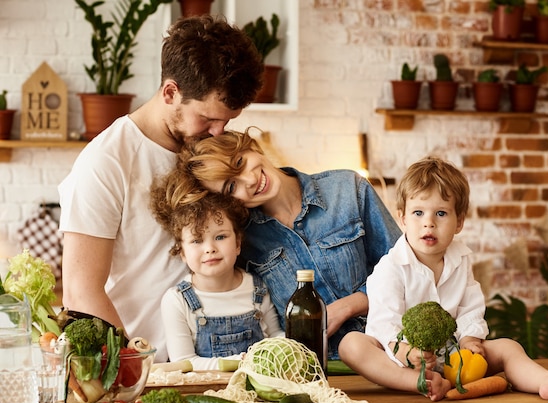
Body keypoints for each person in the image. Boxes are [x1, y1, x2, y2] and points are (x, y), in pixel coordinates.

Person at [58, 15, 264, 362]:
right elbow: (80, 293)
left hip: (222, 367)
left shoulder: (208, 151)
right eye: (208, 118)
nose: (218, 132)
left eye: (226, 121)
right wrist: (134, 371)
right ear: (171, 92)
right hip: (147, 368)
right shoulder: (106, 162)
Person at [338, 156, 548, 401]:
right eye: (418, 213)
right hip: (404, 362)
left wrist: (470, 339)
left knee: (508, 347)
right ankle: (421, 382)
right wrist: (405, 351)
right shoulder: (391, 267)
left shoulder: (460, 260)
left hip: (455, 357)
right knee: (352, 345)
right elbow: (384, 322)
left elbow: (470, 307)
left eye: (441, 213)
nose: (428, 223)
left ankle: (547, 382)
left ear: (459, 222)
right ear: (403, 219)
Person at [158, 127, 402, 360]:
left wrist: (347, 307)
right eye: (232, 186)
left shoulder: (348, 189)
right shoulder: (241, 238)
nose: (249, 180)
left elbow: (408, 273)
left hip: (389, 353)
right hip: (304, 371)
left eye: (240, 163)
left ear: (251, 147)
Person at [149, 188, 283, 370]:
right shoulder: (177, 300)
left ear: (237, 244)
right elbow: (185, 362)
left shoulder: (258, 288)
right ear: (182, 252)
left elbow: (277, 338)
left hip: (257, 388)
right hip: (205, 392)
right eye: (197, 241)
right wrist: (241, 362)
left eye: (220, 237)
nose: (210, 248)